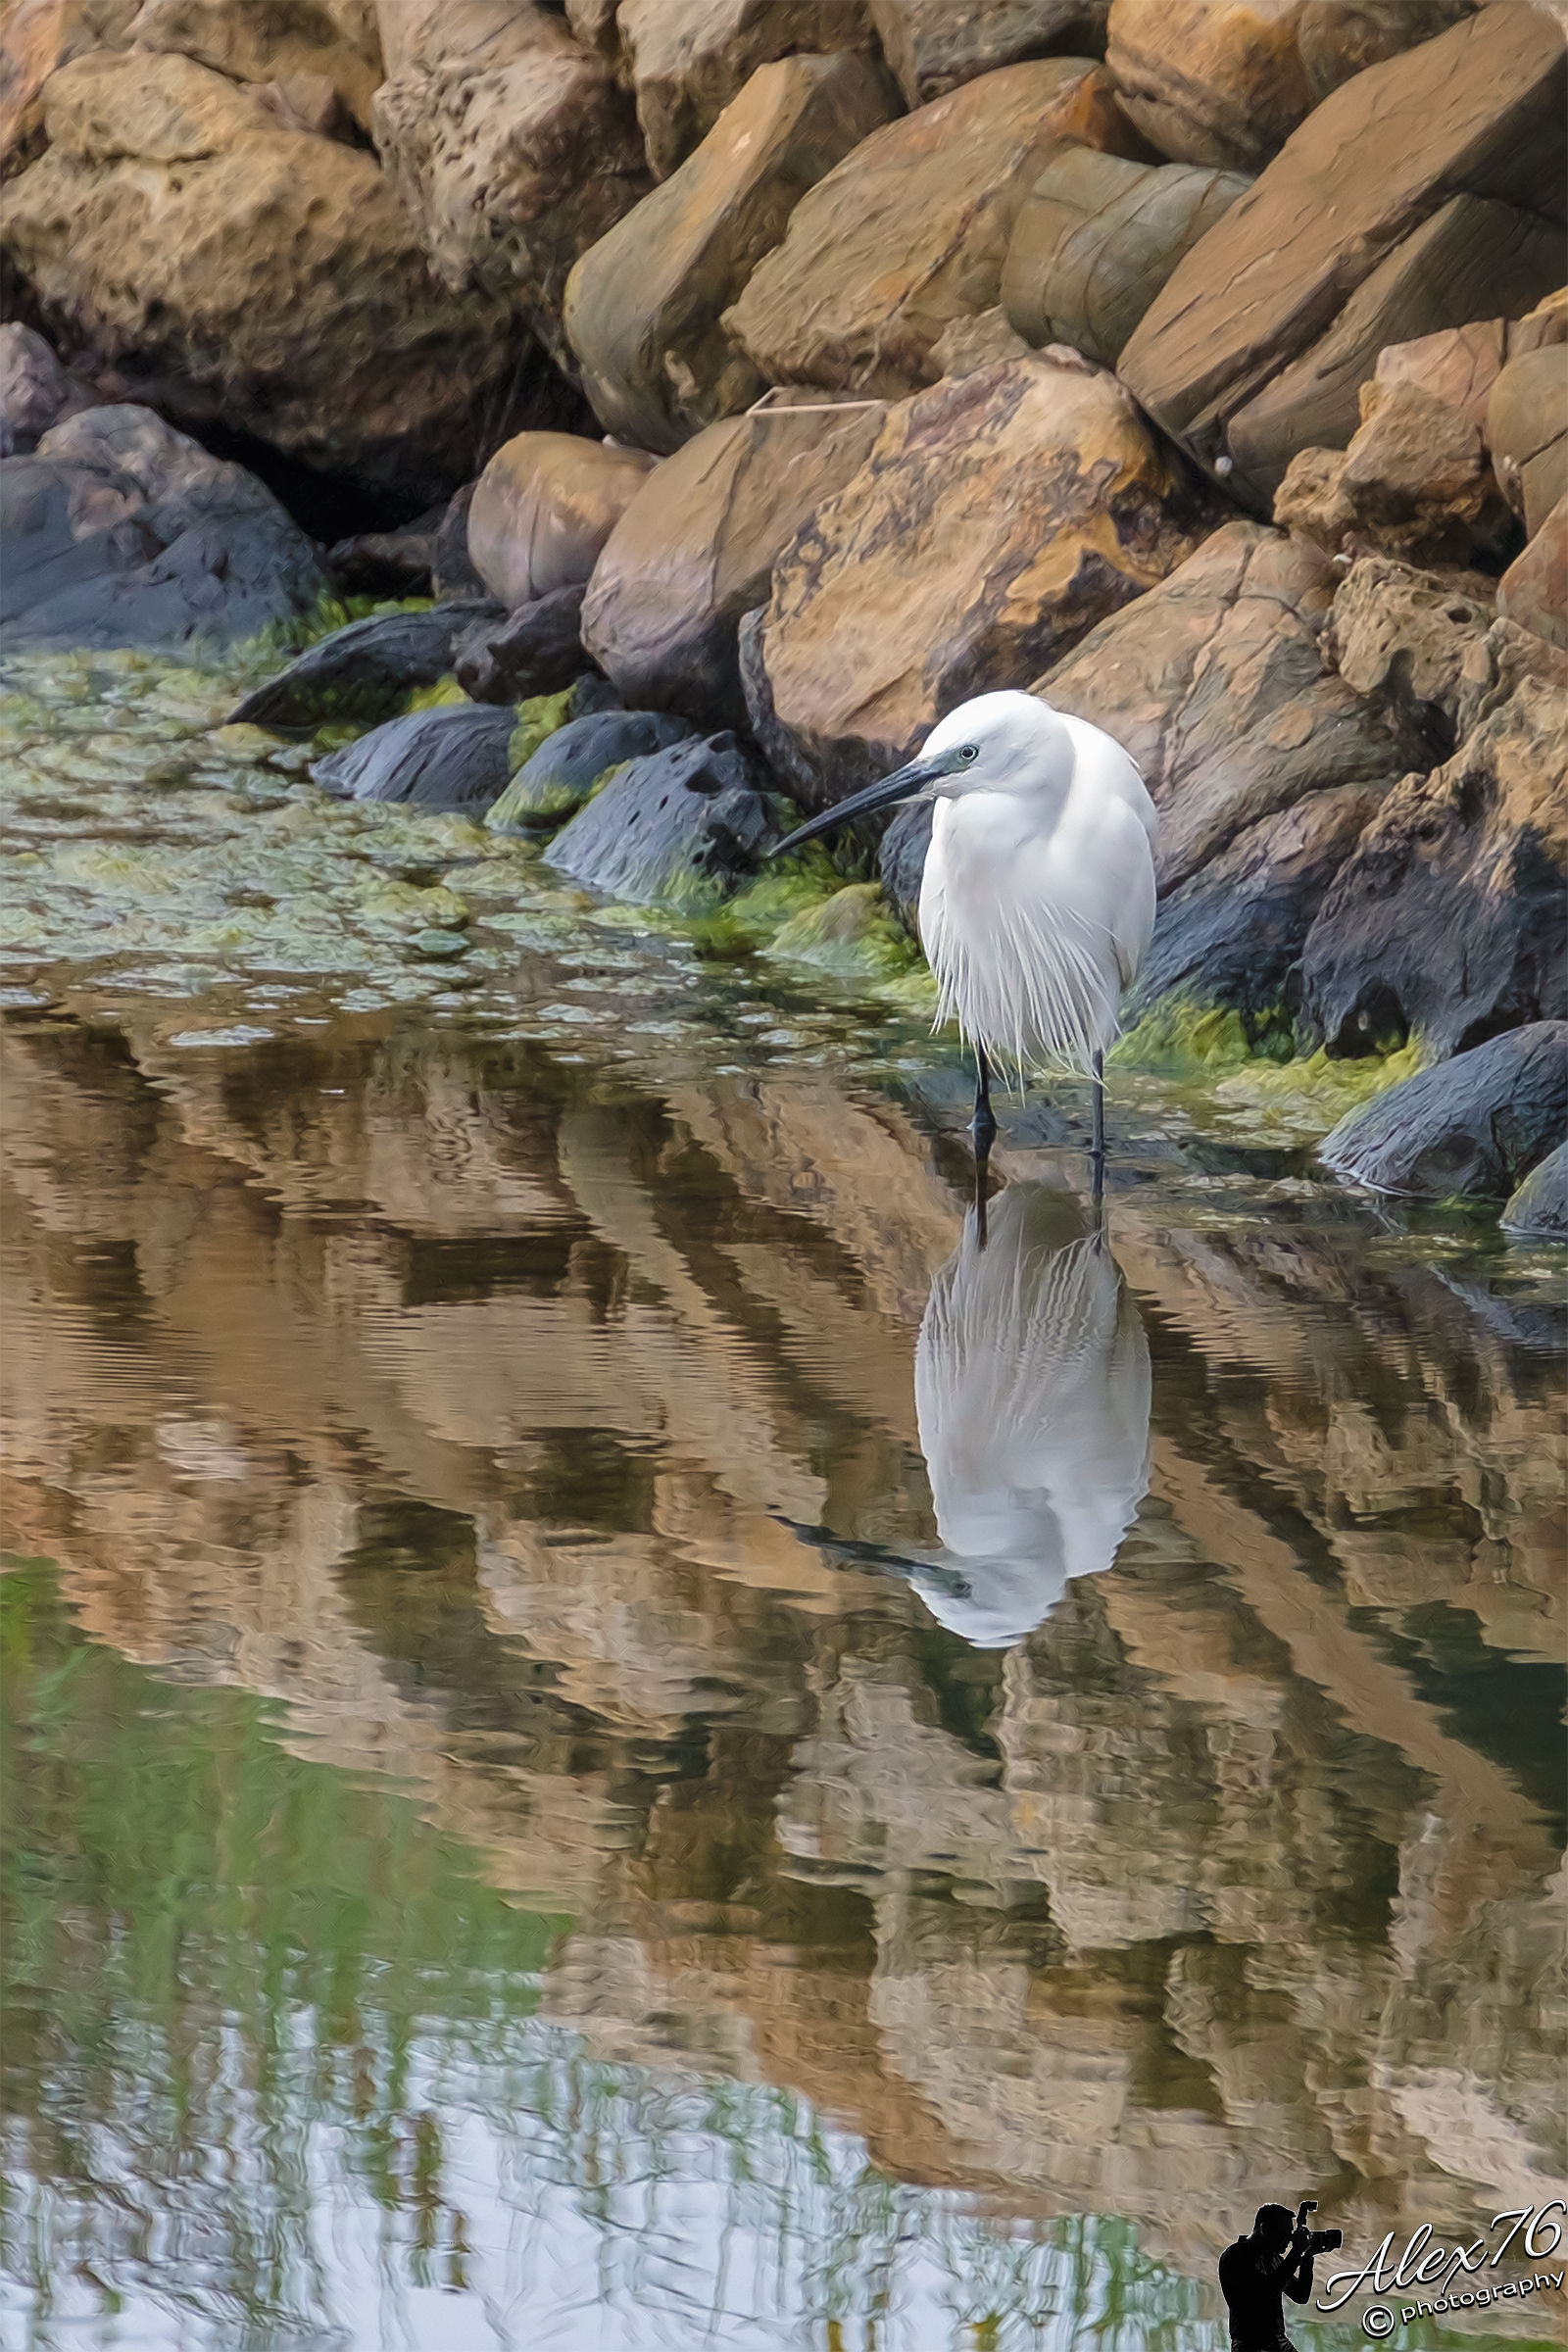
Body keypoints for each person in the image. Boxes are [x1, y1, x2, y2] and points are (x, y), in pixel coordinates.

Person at [1218, 2204, 1319, 2351]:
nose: (1289, 2240)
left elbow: (1300, 2295)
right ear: (1264, 2229)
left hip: (1277, 2340)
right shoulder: (1236, 2256)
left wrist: (1307, 2258)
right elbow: (1266, 2292)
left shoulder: (1273, 2258)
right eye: (1284, 2233)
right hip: (1250, 2344)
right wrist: (1296, 2252)